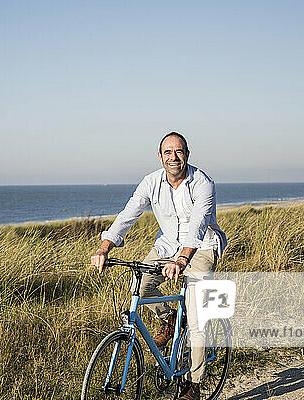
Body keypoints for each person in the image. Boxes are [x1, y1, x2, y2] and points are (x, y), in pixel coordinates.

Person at [91, 132, 227, 400]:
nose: (173, 157)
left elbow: (199, 225)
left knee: (197, 320)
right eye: (167, 152)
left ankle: (195, 385)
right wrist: (104, 248)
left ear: (187, 154)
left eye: (178, 152)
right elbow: (128, 214)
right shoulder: (151, 182)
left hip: (200, 248)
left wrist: (183, 259)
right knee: (140, 286)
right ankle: (169, 318)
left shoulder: (203, 183)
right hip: (167, 246)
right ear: (160, 156)